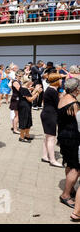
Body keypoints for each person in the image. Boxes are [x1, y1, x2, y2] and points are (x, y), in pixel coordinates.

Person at [57, 78, 80, 209]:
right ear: (76, 89)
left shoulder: (63, 97)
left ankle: (70, 189)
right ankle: (65, 195)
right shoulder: (74, 104)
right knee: (76, 168)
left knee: (69, 164)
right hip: (72, 138)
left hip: (64, 136)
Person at [40, 73, 64, 167]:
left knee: (47, 137)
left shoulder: (51, 89)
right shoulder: (52, 91)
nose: (62, 81)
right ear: (56, 81)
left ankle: (45, 156)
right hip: (49, 116)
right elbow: (59, 105)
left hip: (47, 114)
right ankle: (52, 160)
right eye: (60, 79)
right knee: (51, 138)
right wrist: (62, 98)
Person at [18, 76, 43, 143]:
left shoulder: (25, 88)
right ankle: (21, 137)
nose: (31, 83)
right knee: (24, 121)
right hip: (24, 107)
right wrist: (38, 93)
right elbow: (30, 99)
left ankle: (27, 135)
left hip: (26, 107)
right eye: (30, 81)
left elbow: (30, 95)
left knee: (28, 121)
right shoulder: (24, 89)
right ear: (27, 82)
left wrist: (35, 90)